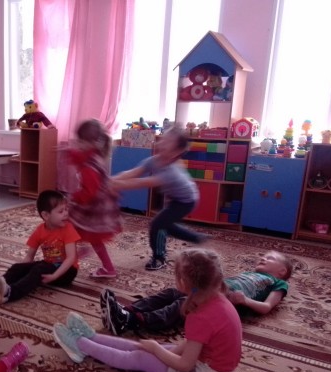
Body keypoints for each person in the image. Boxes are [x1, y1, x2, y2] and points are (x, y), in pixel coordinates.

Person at [53, 248, 242, 372]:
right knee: (149, 348)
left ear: (184, 283)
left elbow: (185, 366)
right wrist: (162, 351)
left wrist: (156, 350)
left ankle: (81, 345)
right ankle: (93, 337)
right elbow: (195, 343)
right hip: (212, 370)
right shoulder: (217, 298)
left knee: (142, 356)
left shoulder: (200, 316)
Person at [102, 250, 293, 335]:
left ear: (282, 271)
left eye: (270, 258)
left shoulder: (278, 283)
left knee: (183, 304)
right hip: (212, 288)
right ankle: (128, 310)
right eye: (263, 256)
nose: (263, 258)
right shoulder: (249, 273)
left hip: (225, 301)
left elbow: (267, 306)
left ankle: (133, 321)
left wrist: (246, 301)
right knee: (172, 293)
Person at [0, 190, 80, 304]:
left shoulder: (68, 229)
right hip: (49, 265)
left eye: (66, 209)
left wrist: (55, 276)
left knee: (38, 269)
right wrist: (22, 270)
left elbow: (71, 258)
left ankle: (10, 293)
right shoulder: (40, 231)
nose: (66, 214)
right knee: (17, 268)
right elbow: (29, 256)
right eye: (61, 211)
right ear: (46, 215)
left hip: (67, 273)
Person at [110, 128, 206, 271]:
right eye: (163, 140)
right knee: (165, 224)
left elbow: (140, 183)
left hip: (186, 201)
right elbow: (132, 173)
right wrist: (111, 179)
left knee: (157, 224)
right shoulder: (153, 160)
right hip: (174, 197)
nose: (162, 144)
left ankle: (159, 258)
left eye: (168, 143)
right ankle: (196, 237)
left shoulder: (172, 172)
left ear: (176, 152)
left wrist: (111, 185)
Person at [67, 119, 122, 278]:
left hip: (93, 205)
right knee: (92, 236)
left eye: (80, 141)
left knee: (74, 228)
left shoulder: (89, 167)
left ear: (90, 142)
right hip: (99, 204)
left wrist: (74, 197)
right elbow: (80, 157)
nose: (77, 144)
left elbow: (89, 193)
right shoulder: (95, 154)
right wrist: (68, 152)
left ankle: (71, 258)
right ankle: (107, 267)